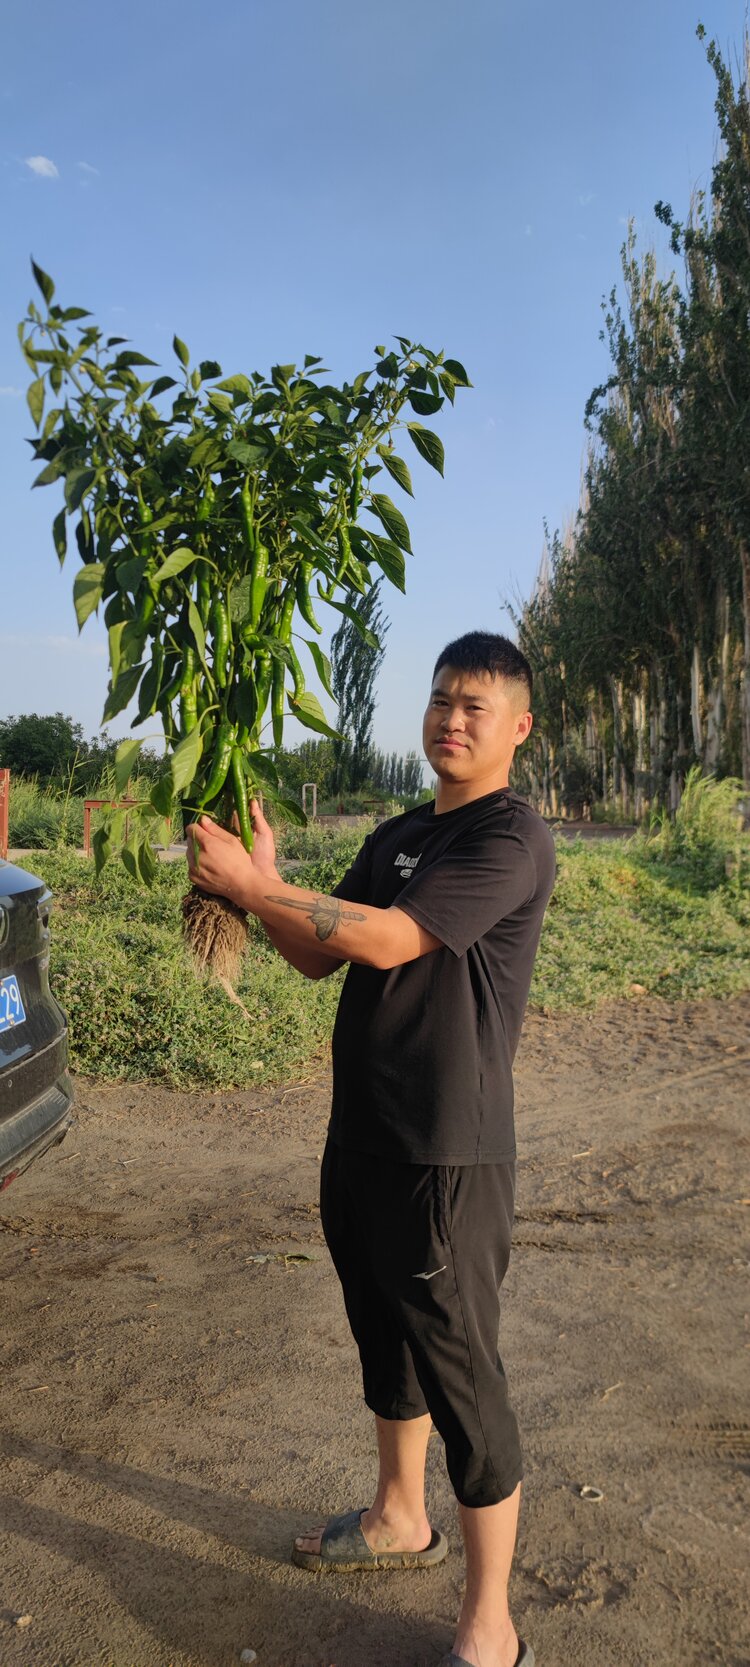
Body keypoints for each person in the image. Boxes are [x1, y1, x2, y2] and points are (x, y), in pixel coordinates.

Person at [187, 630, 556, 1667]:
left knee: (462, 1372)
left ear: (517, 729)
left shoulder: (510, 838)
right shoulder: (399, 832)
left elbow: (393, 940)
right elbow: (320, 951)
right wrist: (258, 887)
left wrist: (259, 889)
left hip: (449, 1153)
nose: (450, 718)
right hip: (363, 1137)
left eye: (475, 707)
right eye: (440, 699)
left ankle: (491, 1626)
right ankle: (401, 1514)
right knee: (384, 1339)